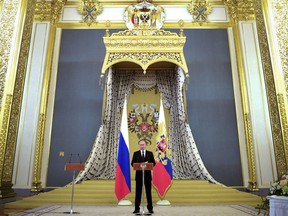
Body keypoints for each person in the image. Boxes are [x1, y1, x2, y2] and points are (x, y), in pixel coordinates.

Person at [131, 139, 156, 214]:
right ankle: (136, 209)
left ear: (146, 145)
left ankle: (150, 208)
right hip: (139, 176)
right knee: (138, 193)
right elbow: (132, 163)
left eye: (143, 144)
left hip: (147, 176)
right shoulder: (136, 154)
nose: (141, 146)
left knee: (148, 192)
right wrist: (139, 164)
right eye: (140, 145)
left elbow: (153, 163)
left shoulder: (150, 153)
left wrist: (147, 164)